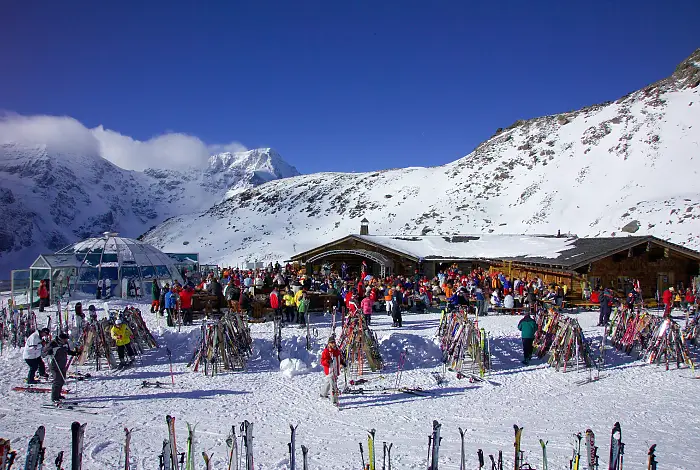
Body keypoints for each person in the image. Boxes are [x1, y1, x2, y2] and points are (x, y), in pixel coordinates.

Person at [46, 333, 80, 405]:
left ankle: (58, 395)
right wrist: (49, 352)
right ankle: (54, 397)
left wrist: (74, 353)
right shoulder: (53, 343)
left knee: (62, 379)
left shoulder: (65, 343)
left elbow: (67, 351)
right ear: (61, 339)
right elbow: (44, 352)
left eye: (66, 339)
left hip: (62, 364)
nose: (66, 340)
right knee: (57, 380)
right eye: (65, 339)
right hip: (54, 364)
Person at [319, 335, 344, 404]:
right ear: (328, 343)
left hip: (335, 370)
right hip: (330, 371)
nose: (333, 344)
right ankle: (334, 401)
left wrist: (342, 362)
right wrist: (327, 361)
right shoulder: (326, 351)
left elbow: (340, 358)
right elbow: (322, 361)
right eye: (331, 343)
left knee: (328, 383)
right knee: (333, 386)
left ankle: (323, 394)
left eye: (334, 342)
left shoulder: (336, 350)